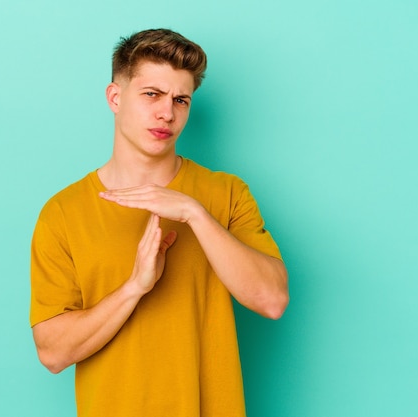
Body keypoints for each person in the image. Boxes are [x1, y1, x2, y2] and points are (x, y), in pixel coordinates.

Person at [29, 28, 289, 417]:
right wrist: (134, 288)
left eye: (180, 100)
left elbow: (272, 300)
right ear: (115, 98)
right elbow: (52, 352)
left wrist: (194, 213)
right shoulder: (63, 212)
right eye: (151, 94)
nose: (167, 113)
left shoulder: (226, 193)